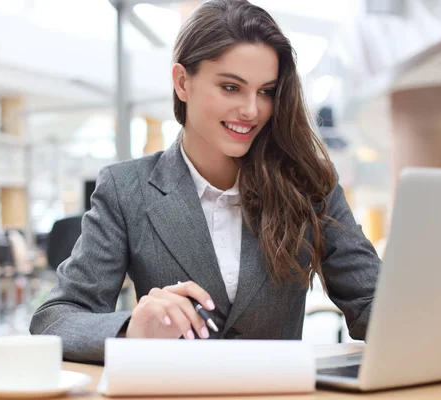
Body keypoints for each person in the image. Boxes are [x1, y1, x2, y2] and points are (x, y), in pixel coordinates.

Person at [30, 0, 380, 364]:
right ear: (183, 82)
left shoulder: (307, 183)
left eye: (266, 91)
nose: (251, 110)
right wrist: (132, 330)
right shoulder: (125, 189)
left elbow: (372, 302)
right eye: (231, 87)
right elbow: (54, 319)